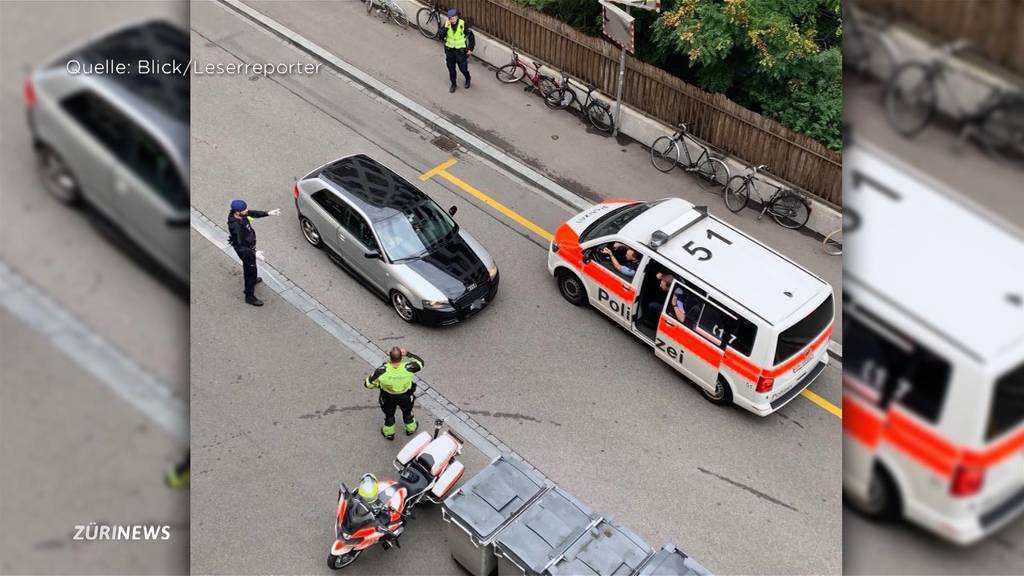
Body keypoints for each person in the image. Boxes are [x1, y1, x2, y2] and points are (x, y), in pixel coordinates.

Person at [227, 199, 280, 307]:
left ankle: (253, 280)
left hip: (250, 247)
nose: (247, 211)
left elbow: (253, 213)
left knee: (253, 268)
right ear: (237, 212)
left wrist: (268, 213)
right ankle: (249, 296)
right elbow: (240, 246)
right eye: (244, 210)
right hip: (246, 252)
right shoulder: (235, 227)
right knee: (249, 272)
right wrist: (254, 253)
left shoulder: (241, 214)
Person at [364, 347, 424, 440]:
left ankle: (389, 433)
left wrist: (379, 384)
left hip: (388, 397)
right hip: (406, 396)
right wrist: (408, 353)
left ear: (390, 357)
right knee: (407, 413)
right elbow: (421, 363)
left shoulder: (382, 370)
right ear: (401, 357)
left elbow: (368, 384)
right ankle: (411, 429)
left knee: (389, 415)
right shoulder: (408, 367)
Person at [442, 9, 475, 93]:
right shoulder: (447, 25)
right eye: (449, 18)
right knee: (451, 69)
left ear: (456, 17)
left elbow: (471, 37)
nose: (451, 20)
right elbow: (440, 35)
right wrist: (445, 28)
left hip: (460, 52)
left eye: (452, 18)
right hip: (450, 51)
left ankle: (468, 78)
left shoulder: (463, 24)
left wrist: (470, 49)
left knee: (463, 68)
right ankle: (453, 84)